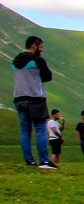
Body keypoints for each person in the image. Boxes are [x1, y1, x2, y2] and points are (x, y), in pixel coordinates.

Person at [12, 36, 55, 169]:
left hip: (19, 98)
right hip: (35, 98)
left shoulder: (15, 61)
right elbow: (48, 76)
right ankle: (44, 161)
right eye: (40, 47)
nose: (41, 50)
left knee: (25, 131)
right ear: (34, 46)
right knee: (41, 129)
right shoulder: (37, 60)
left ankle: (29, 161)